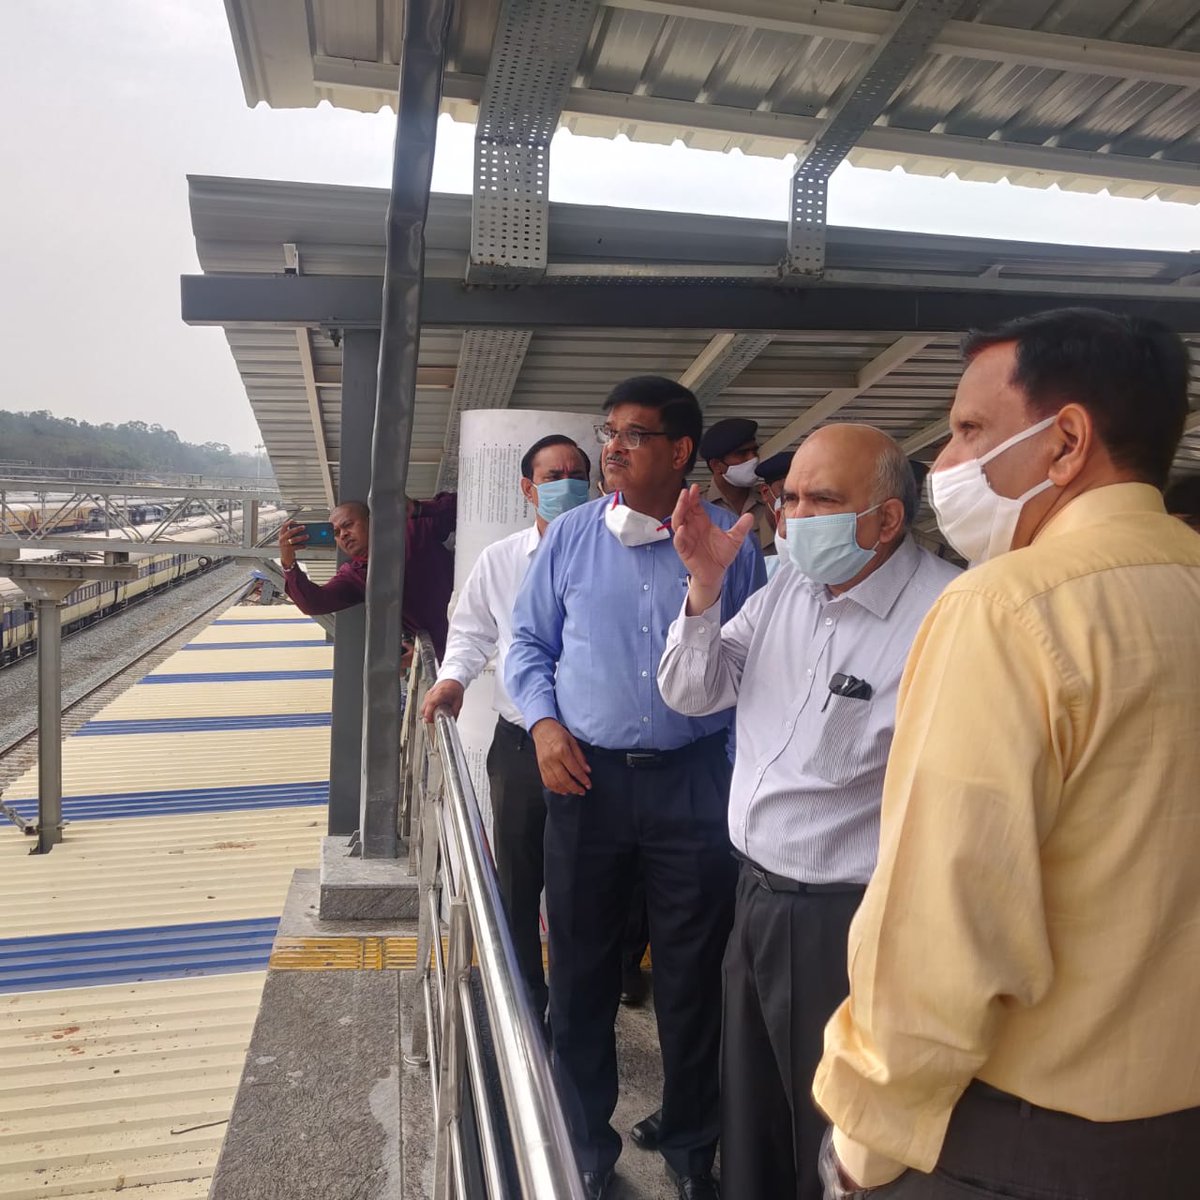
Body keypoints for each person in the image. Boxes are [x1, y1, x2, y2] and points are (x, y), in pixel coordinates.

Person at [814, 308, 1200, 1200]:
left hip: (1022, 1147)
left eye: (970, 431)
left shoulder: (1007, 608)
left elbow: (943, 933)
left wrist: (864, 1148)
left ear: (1066, 441)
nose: (944, 468)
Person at [656, 424, 960, 1200]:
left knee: (832, 1130)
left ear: (887, 520)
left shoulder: (946, 617)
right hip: (755, 894)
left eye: (821, 499)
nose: (793, 516)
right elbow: (695, 692)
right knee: (752, 1109)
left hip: (845, 921)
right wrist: (701, 590)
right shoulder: (786, 587)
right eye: (787, 498)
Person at [505, 376, 766, 1200]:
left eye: (633, 435)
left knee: (693, 975)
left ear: (681, 451)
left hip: (694, 785)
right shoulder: (572, 537)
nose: (610, 448)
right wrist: (545, 726)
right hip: (587, 781)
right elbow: (525, 646)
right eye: (607, 431)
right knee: (580, 972)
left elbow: (758, 662)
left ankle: (691, 1148)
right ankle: (582, 1141)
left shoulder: (733, 538)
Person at [420, 435, 592, 1018]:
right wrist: (453, 681)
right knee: (519, 879)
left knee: (591, 882)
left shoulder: (616, 553)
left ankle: (589, 992)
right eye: (552, 474)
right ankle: (524, 998)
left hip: (595, 747)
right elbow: (471, 633)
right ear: (527, 488)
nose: (566, 483)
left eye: (576, 472)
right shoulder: (500, 560)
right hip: (520, 744)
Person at [279, 493, 457, 657]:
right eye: (336, 533)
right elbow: (313, 603)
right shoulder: (356, 575)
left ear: (372, 521)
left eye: (348, 525)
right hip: (454, 649)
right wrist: (289, 563)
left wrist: (419, 509)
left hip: (477, 608)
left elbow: (460, 508)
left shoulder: (411, 528)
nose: (343, 535)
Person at [700, 416, 777, 553]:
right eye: (742, 453)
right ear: (717, 465)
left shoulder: (770, 502)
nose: (753, 459)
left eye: (754, 451)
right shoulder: (697, 509)